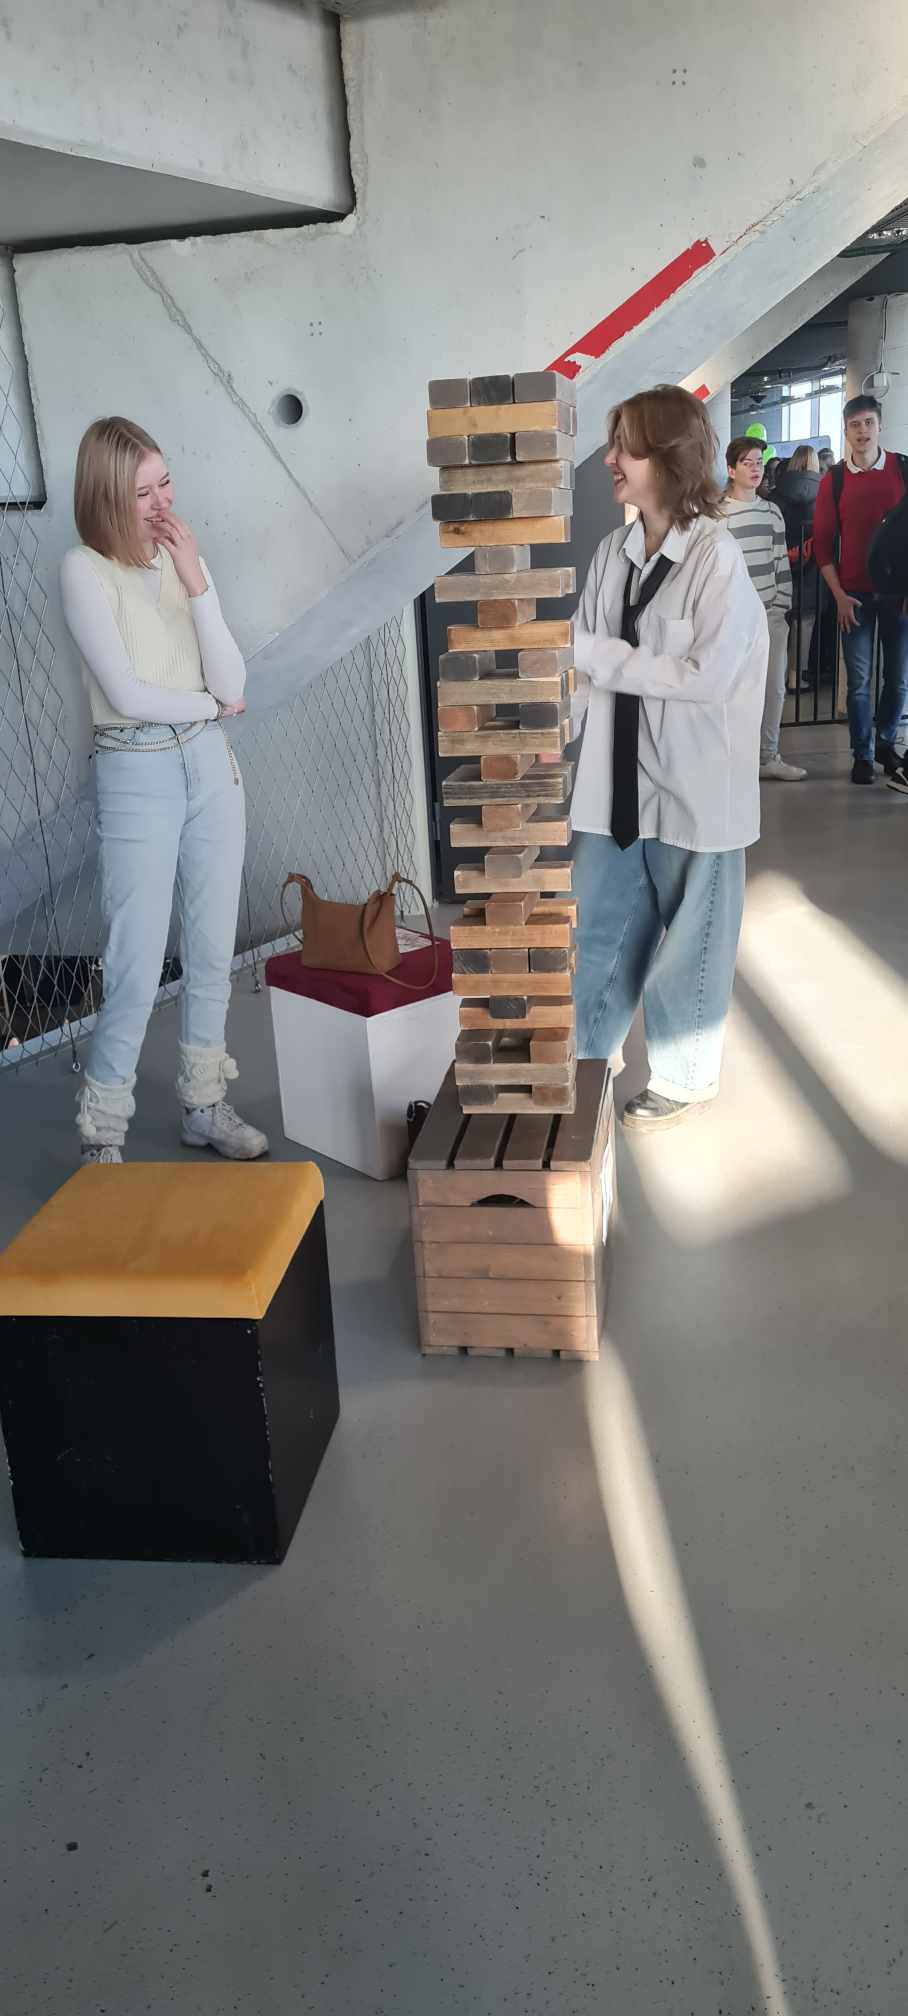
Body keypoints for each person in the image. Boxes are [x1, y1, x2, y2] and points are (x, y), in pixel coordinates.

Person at [60, 416, 268, 1164]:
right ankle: (102, 1133)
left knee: (212, 949)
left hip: (209, 765)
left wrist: (196, 582)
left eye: (165, 483)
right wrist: (211, 707)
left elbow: (234, 682)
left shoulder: (183, 562)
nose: (161, 503)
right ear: (106, 496)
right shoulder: (83, 570)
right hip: (136, 768)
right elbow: (126, 693)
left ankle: (203, 1104)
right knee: (135, 961)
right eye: (142, 492)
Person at [570, 385, 768, 1134]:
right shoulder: (610, 556)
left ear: (669, 456)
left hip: (694, 786)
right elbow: (582, 666)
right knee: (599, 927)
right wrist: (561, 725)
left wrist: (600, 657)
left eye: (626, 446)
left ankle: (683, 1078)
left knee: (693, 936)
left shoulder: (716, 558)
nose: (610, 459)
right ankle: (587, 1059)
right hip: (614, 786)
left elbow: (706, 676)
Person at [812, 393, 908, 783]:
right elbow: (822, 545)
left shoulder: (902, 469)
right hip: (853, 595)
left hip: (899, 595)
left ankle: (885, 744)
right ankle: (863, 754)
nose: (862, 431)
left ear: (880, 425)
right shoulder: (834, 481)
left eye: (868, 422)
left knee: (898, 678)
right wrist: (838, 596)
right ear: (846, 430)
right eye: (855, 425)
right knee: (859, 682)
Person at [719, 438, 806, 780]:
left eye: (759, 462)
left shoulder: (772, 512)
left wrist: (782, 603)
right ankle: (735, 759)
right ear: (731, 470)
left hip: (771, 614)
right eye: (747, 462)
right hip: (734, 619)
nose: (756, 468)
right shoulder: (717, 514)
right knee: (734, 689)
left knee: (774, 689)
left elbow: (779, 559)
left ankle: (767, 756)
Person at [774, 445, 821, 690]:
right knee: (805, 620)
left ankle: (777, 673)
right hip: (812, 565)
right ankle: (796, 676)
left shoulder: (776, 493)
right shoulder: (824, 492)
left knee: (779, 620)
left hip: (781, 563)